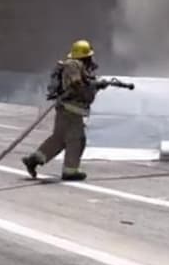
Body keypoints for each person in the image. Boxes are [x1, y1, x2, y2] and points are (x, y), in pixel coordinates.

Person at [22, 39, 109, 181]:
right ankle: (70, 171)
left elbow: (81, 85)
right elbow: (77, 85)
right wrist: (95, 85)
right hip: (71, 111)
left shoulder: (75, 66)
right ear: (85, 56)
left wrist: (95, 85)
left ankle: (34, 160)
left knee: (59, 139)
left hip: (66, 110)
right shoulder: (73, 65)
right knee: (77, 140)